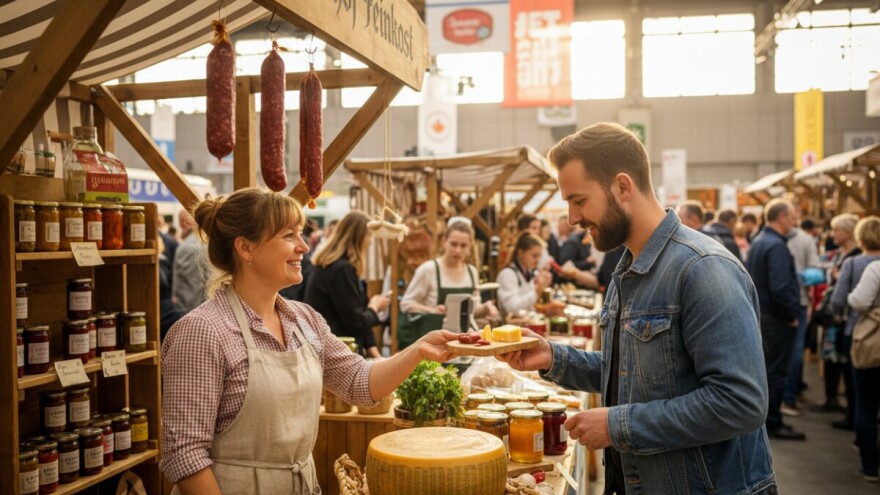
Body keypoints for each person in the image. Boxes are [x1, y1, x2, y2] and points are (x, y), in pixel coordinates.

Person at [499, 123, 775, 495]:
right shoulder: (629, 268)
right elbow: (631, 373)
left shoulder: (703, 269)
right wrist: (551, 357)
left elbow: (740, 402)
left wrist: (618, 426)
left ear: (622, 187)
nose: (572, 218)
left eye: (578, 200)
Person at [160, 188, 459, 495]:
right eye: (289, 235)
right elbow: (184, 455)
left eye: (301, 234)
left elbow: (360, 382)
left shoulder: (304, 320)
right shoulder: (201, 332)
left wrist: (420, 349)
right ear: (245, 248)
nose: (304, 247)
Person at [746, 199, 806, 440]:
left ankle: (768, 419)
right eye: (792, 217)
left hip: (764, 315)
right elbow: (780, 288)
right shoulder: (776, 246)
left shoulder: (760, 241)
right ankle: (773, 421)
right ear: (781, 218)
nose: (795, 222)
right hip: (776, 319)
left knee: (768, 370)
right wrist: (791, 315)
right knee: (777, 371)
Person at [398, 220, 498, 349]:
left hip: (463, 344)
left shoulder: (471, 272)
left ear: (470, 247)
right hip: (433, 344)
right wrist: (431, 310)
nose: (457, 250)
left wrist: (486, 307)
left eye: (463, 246)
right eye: (453, 244)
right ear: (444, 241)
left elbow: (471, 310)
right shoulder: (429, 269)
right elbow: (406, 304)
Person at [304, 211, 390, 358]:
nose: (370, 242)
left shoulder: (332, 266)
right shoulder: (341, 270)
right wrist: (375, 307)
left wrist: (376, 356)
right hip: (335, 356)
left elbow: (356, 315)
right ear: (358, 237)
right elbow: (356, 323)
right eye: (368, 236)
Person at [831, 217, 880, 442]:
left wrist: (839, 315)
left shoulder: (854, 264)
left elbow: (840, 299)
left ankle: (866, 456)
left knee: (863, 398)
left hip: (860, 333)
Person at [845, 234, 880, 483]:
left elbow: (858, 300)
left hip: (873, 344)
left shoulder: (875, 269)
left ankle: (870, 467)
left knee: (866, 404)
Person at [820, 213, 861, 423]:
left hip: (845, 316)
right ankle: (832, 398)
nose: (832, 234)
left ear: (847, 232)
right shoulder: (841, 253)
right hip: (835, 317)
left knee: (846, 363)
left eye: (836, 230)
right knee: (832, 358)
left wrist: (837, 278)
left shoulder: (856, 256)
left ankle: (851, 412)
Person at [781, 213, 822, 417]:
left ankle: (786, 397)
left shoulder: (768, 239)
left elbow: (816, 272)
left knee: (789, 353)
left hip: (789, 302)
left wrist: (793, 278)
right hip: (795, 302)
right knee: (793, 352)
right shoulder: (802, 240)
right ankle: (787, 398)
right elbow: (816, 272)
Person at [496, 232, 553, 320]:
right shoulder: (507, 274)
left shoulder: (528, 272)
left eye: (539, 256)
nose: (538, 260)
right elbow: (512, 308)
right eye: (534, 256)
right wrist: (537, 291)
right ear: (520, 253)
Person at [172, 210, 210, 313]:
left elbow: (192, 292)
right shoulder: (193, 246)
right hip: (195, 316)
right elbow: (193, 293)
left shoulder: (192, 245)